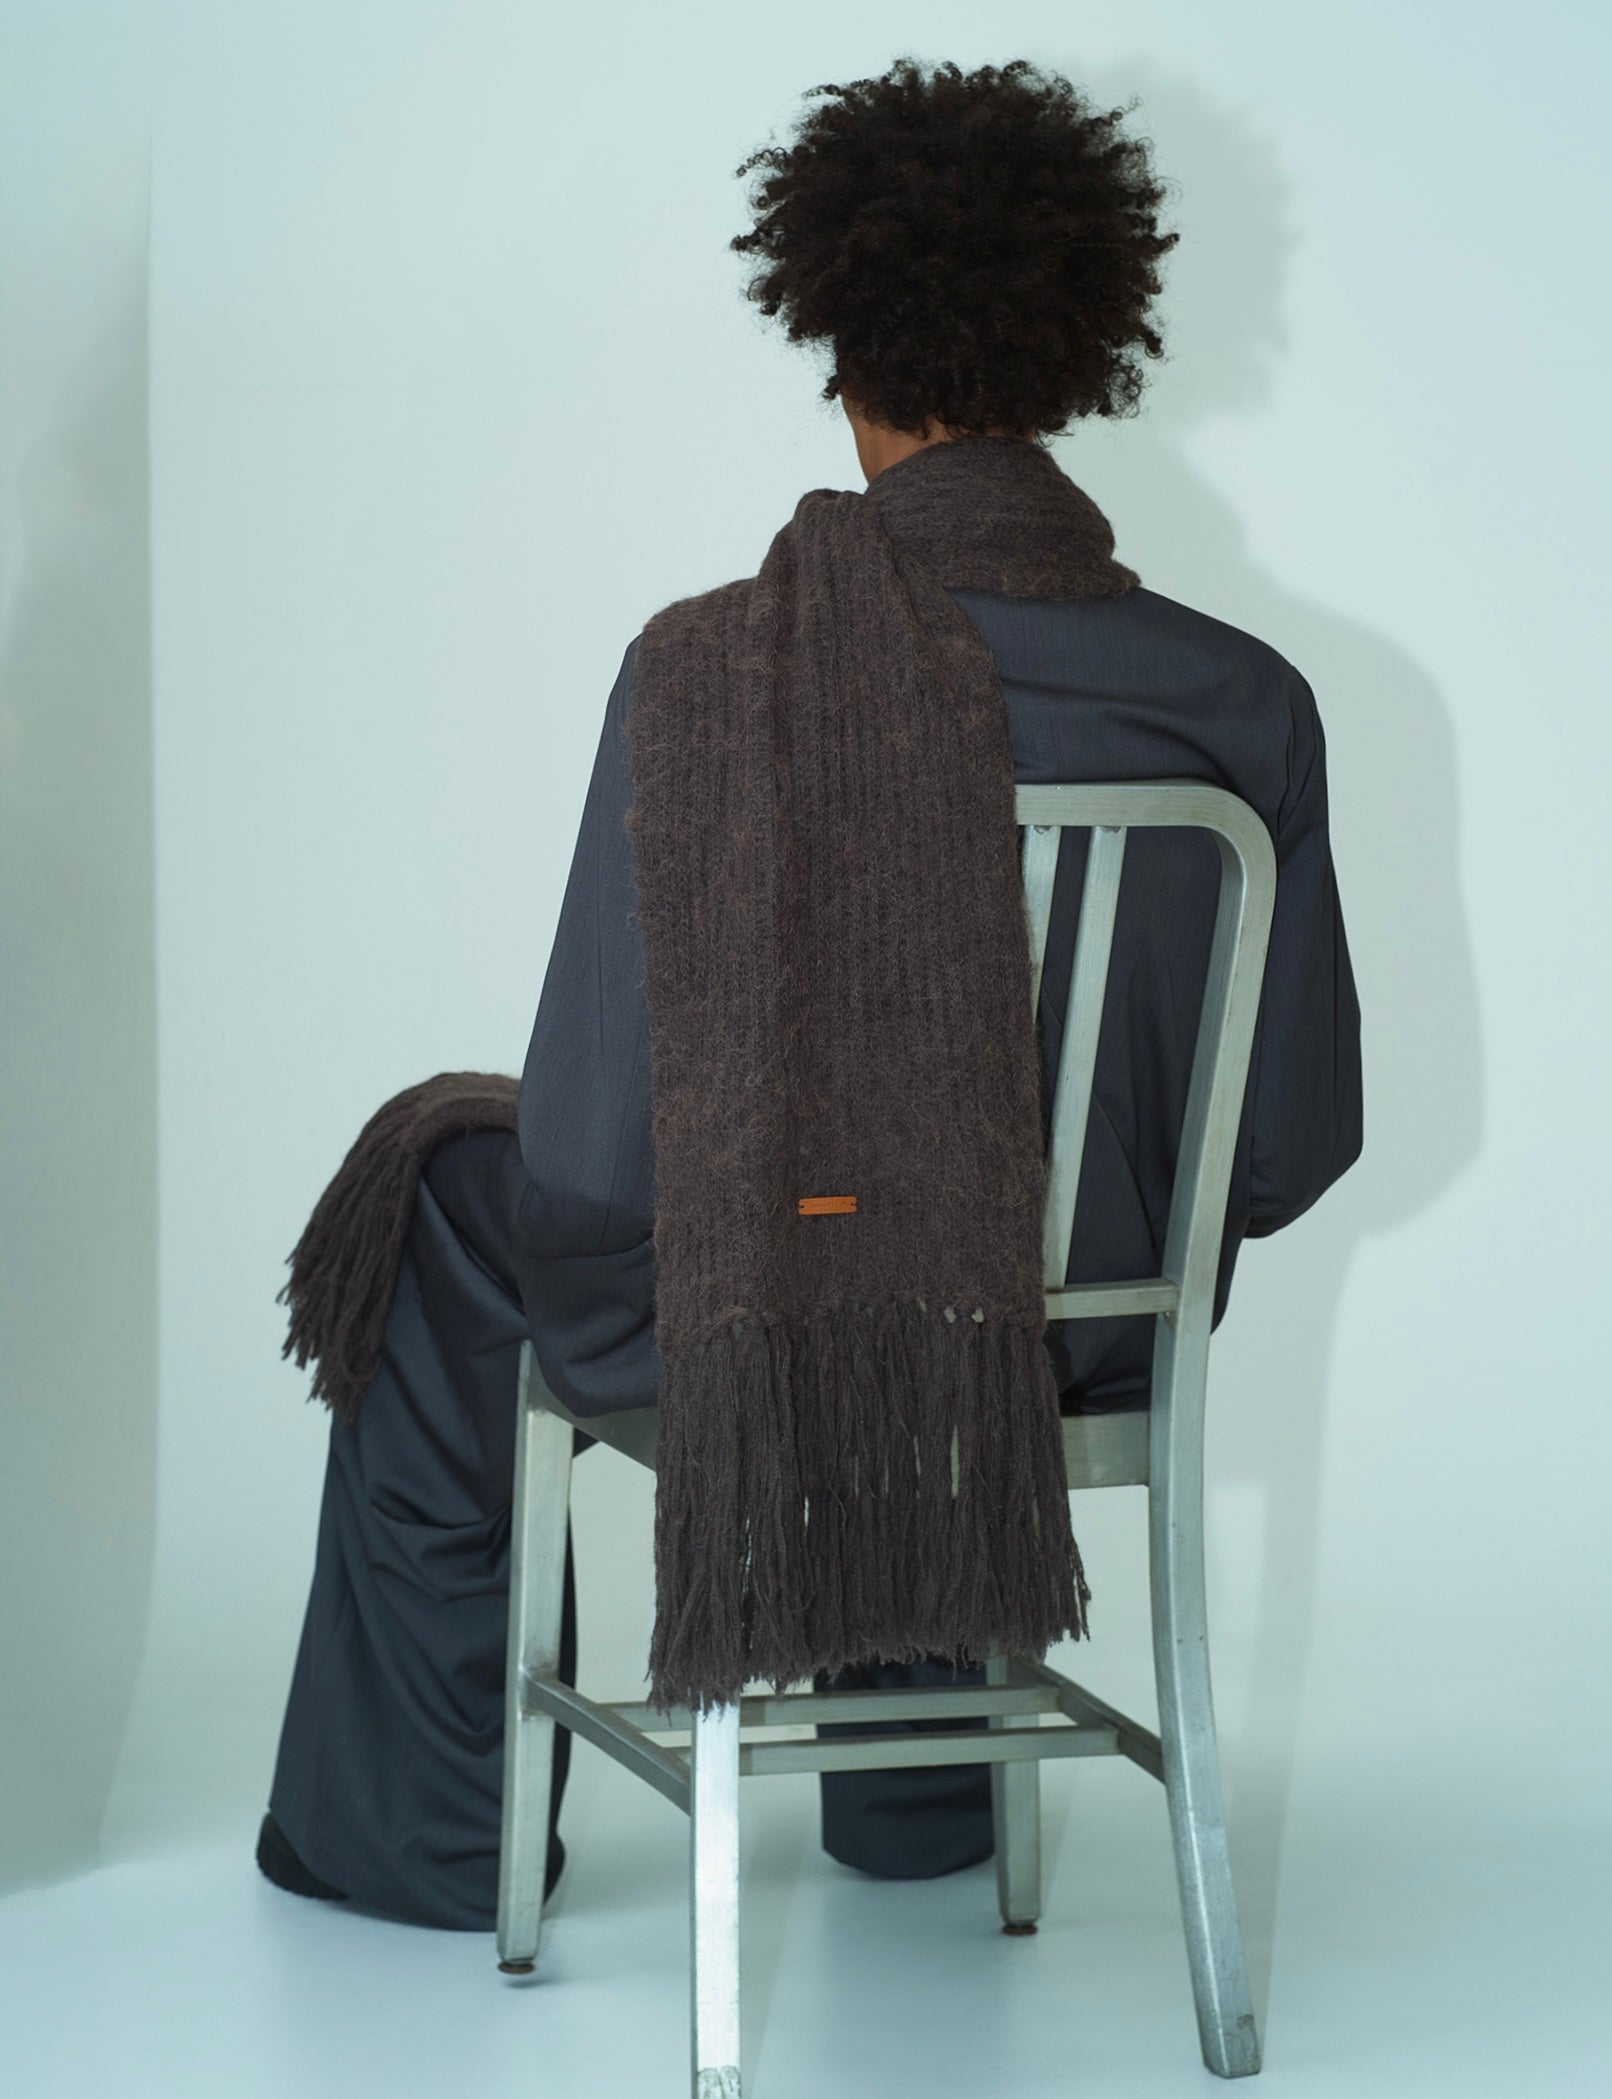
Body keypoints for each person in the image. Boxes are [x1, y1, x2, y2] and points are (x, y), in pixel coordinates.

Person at [257, 55, 1362, 1930]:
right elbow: (1292, 1144)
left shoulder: (707, 671)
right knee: (892, 1216)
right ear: (1071, 362)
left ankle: (420, 1852)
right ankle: (916, 1813)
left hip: (772, 1327)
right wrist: (1049, 1225)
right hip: (1090, 1342)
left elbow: (599, 1162)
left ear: (843, 362)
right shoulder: (1244, 699)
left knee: (475, 1201)